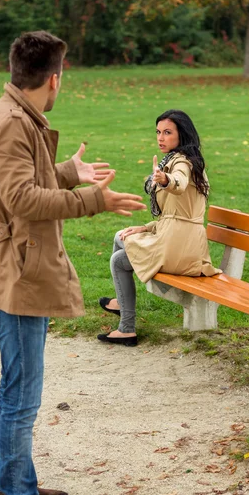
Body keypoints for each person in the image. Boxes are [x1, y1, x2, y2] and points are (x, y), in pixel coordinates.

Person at [0, 30, 146, 495]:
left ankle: (7, 478)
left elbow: (30, 179)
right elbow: (23, 198)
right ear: (54, 78)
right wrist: (94, 199)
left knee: (17, 383)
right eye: (62, 76)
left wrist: (67, 171)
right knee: (22, 393)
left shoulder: (17, 116)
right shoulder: (10, 124)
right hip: (18, 274)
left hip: (24, 269)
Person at [97, 109, 221, 347]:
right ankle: (124, 307)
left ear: (181, 135)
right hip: (180, 240)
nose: (160, 138)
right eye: (158, 132)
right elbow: (175, 217)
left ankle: (126, 328)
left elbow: (179, 183)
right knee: (121, 235)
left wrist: (166, 180)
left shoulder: (182, 163)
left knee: (118, 260)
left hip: (182, 249)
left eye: (167, 132)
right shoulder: (183, 159)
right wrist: (144, 227)